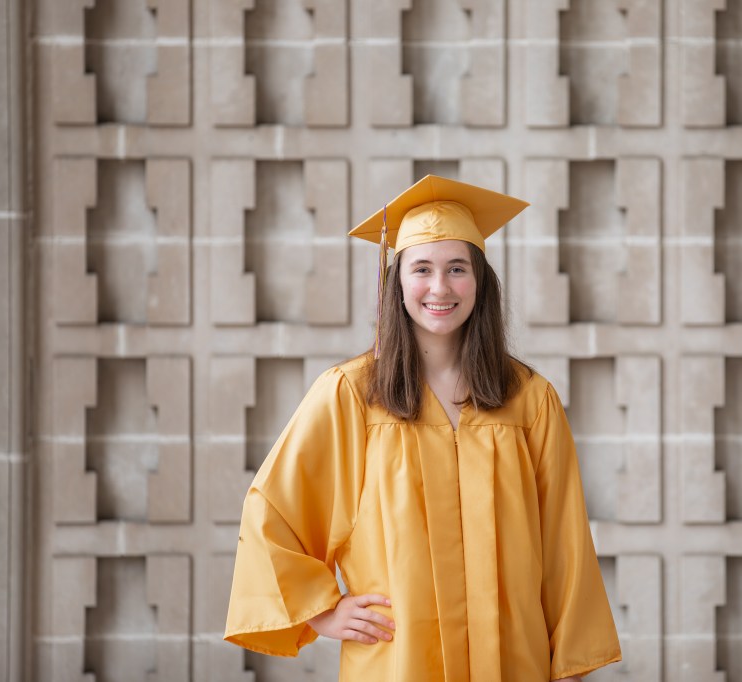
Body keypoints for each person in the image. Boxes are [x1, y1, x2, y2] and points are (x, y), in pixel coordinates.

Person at [224, 175, 621, 681]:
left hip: (514, 663)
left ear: (480, 281)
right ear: (397, 283)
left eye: (457, 268)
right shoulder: (351, 395)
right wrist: (322, 611)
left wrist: (569, 667)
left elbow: (565, 544)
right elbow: (273, 510)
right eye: (422, 269)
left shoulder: (529, 400)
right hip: (399, 663)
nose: (440, 287)